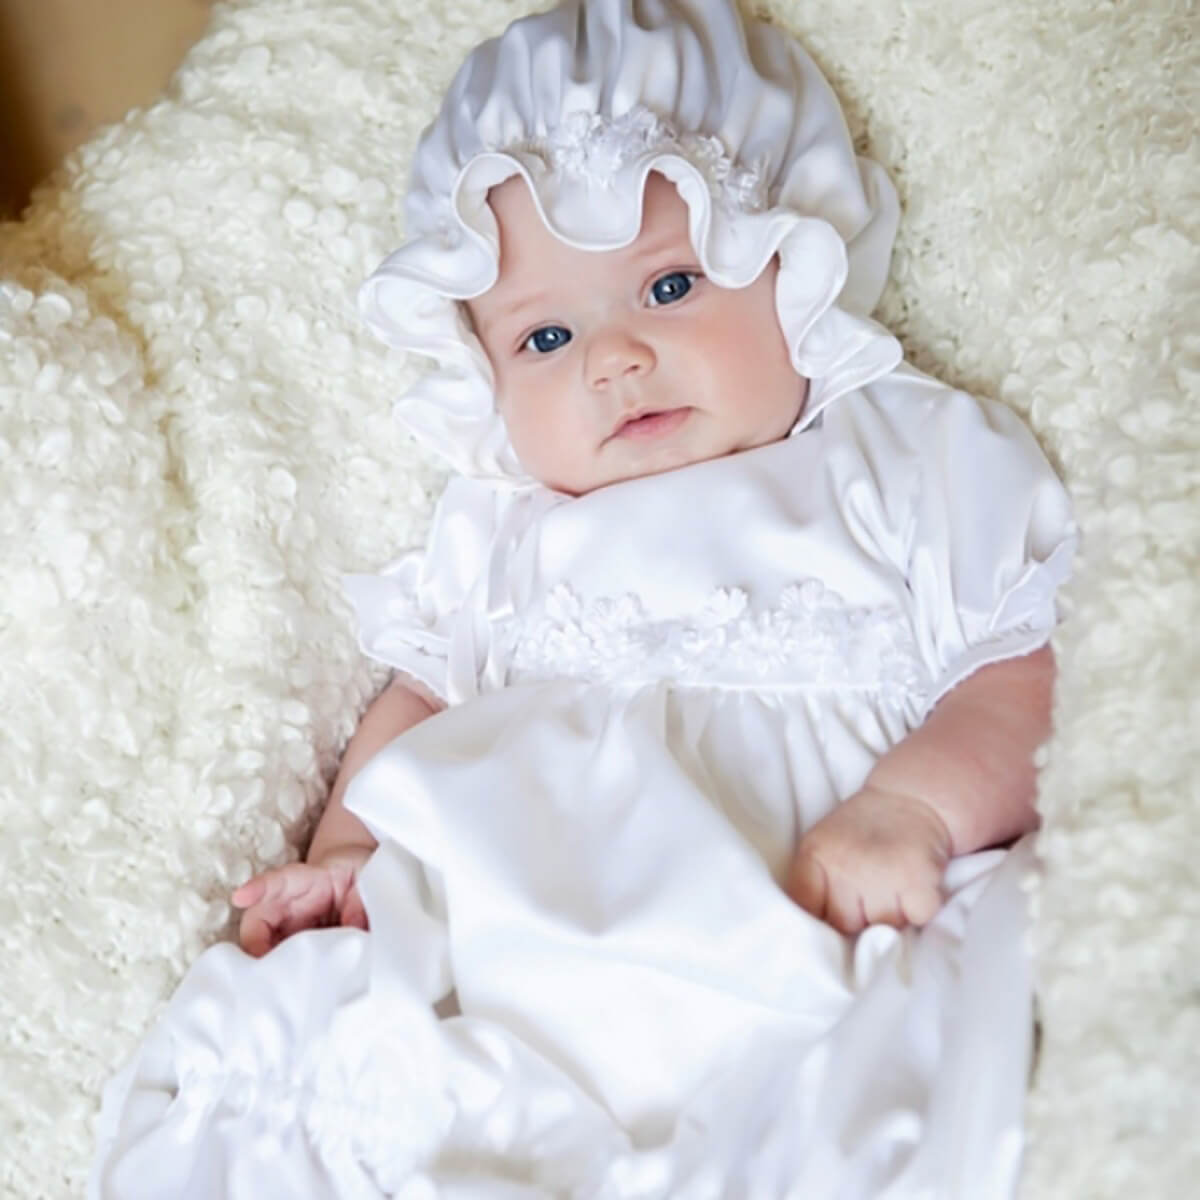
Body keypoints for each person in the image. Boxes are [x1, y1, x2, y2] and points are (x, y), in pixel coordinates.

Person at [91, 1, 1075, 1195]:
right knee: (328, 1057)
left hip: (806, 916)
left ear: (790, 254)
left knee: (892, 1078)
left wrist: (917, 812)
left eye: (667, 289)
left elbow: (1027, 662)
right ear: (481, 371)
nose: (613, 358)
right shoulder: (502, 526)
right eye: (547, 333)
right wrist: (349, 849)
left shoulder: (903, 455)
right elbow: (418, 694)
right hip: (514, 949)